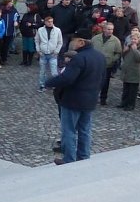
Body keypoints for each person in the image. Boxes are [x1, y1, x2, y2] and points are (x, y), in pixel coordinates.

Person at [45, 29, 106, 165]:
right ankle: (84, 156)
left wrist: (49, 82)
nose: (71, 43)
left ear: (81, 42)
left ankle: (69, 159)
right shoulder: (100, 56)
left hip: (73, 100)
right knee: (85, 130)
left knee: (69, 130)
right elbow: (103, 80)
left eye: (73, 40)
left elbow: (67, 78)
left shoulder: (79, 58)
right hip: (90, 100)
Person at [93, 22, 122, 105]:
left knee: (105, 83)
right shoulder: (95, 38)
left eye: (112, 29)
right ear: (104, 29)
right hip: (96, 64)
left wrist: (113, 59)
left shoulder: (116, 40)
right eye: (109, 29)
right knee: (94, 81)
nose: (110, 31)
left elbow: (118, 53)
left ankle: (103, 98)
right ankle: (93, 97)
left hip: (107, 65)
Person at [117, 29, 140, 110]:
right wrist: (125, 51)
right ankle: (124, 103)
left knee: (132, 90)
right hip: (127, 70)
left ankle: (130, 105)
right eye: (132, 39)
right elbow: (124, 56)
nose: (133, 41)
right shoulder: (129, 45)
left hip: (135, 71)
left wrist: (135, 50)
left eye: (135, 39)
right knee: (126, 88)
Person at [35, 16, 62, 91]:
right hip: (43, 54)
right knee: (42, 71)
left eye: (51, 21)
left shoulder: (57, 30)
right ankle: (42, 85)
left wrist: (56, 51)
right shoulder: (40, 30)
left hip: (53, 54)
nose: (50, 23)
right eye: (49, 22)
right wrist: (38, 50)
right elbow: (37, 40)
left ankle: (55, 85)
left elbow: (60, 42)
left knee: (54, 72)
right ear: (45, 22)